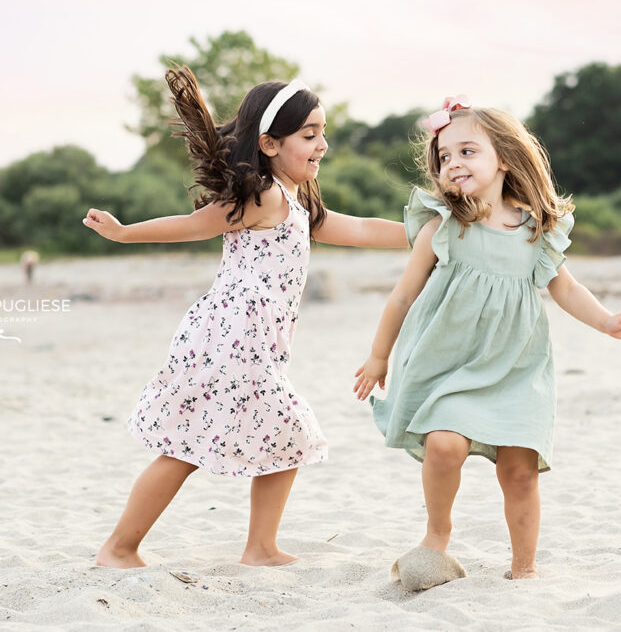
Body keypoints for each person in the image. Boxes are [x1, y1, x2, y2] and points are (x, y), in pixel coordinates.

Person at [83, 66, 407, 568]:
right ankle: (121, 548)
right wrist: (125, 234)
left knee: (279, 436)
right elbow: (195, 224)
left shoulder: (297, 200)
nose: (323, 145)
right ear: (270, 144)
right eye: (309, 134)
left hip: (250, 342)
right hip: (231, 338)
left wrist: (426, 232)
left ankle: (259, 548)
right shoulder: (264, 195)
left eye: (323, 133)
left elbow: (362, 228)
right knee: (194, 444)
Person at [353, 97, 621, 589]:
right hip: (450, 363)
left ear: (505, 158)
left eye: (467, 151)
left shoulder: (537, 230)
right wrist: (378, 356)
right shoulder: (442, 226)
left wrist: (607, 322)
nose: (453, 163)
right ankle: (437, 533)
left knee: (520, 472)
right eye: (445, 156)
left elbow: (566, 288)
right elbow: (402, 295)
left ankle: (524, 567)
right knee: (444, 445)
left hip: (517, 365)